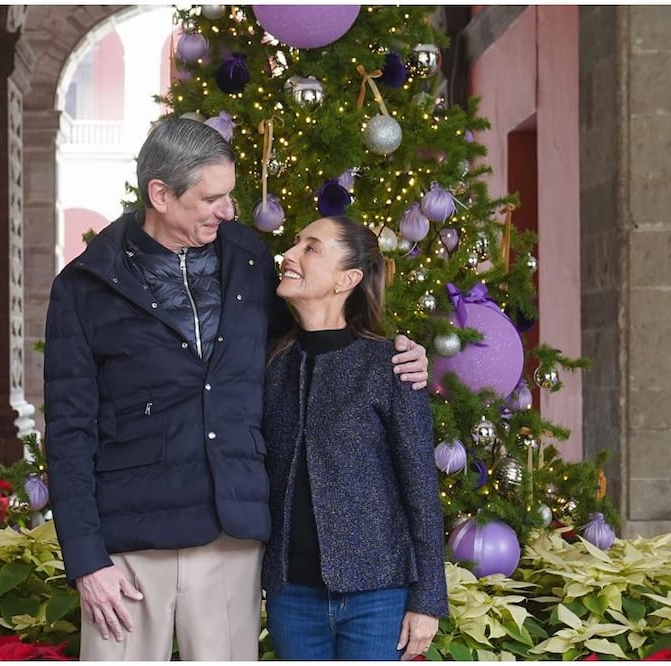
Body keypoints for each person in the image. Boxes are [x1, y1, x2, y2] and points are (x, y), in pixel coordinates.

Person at [43, 118, 430, 661]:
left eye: (230, 195)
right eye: (213, 198)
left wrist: (403, 356)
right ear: (161, 194)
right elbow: (68, 431)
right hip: (127, 544)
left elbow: (315, 338)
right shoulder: (84, 287)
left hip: (231, 538)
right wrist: (86, 561)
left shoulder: (247, 260)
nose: (229, 210)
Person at [260, 215, 449, 661]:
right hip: (292, 596)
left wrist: (426, 601)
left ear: (348, 278)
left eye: (311, 247)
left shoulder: (390, 365)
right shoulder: (269, 365)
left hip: (377, 595)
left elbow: (421, 488)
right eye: (294, 243)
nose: (289, 254)